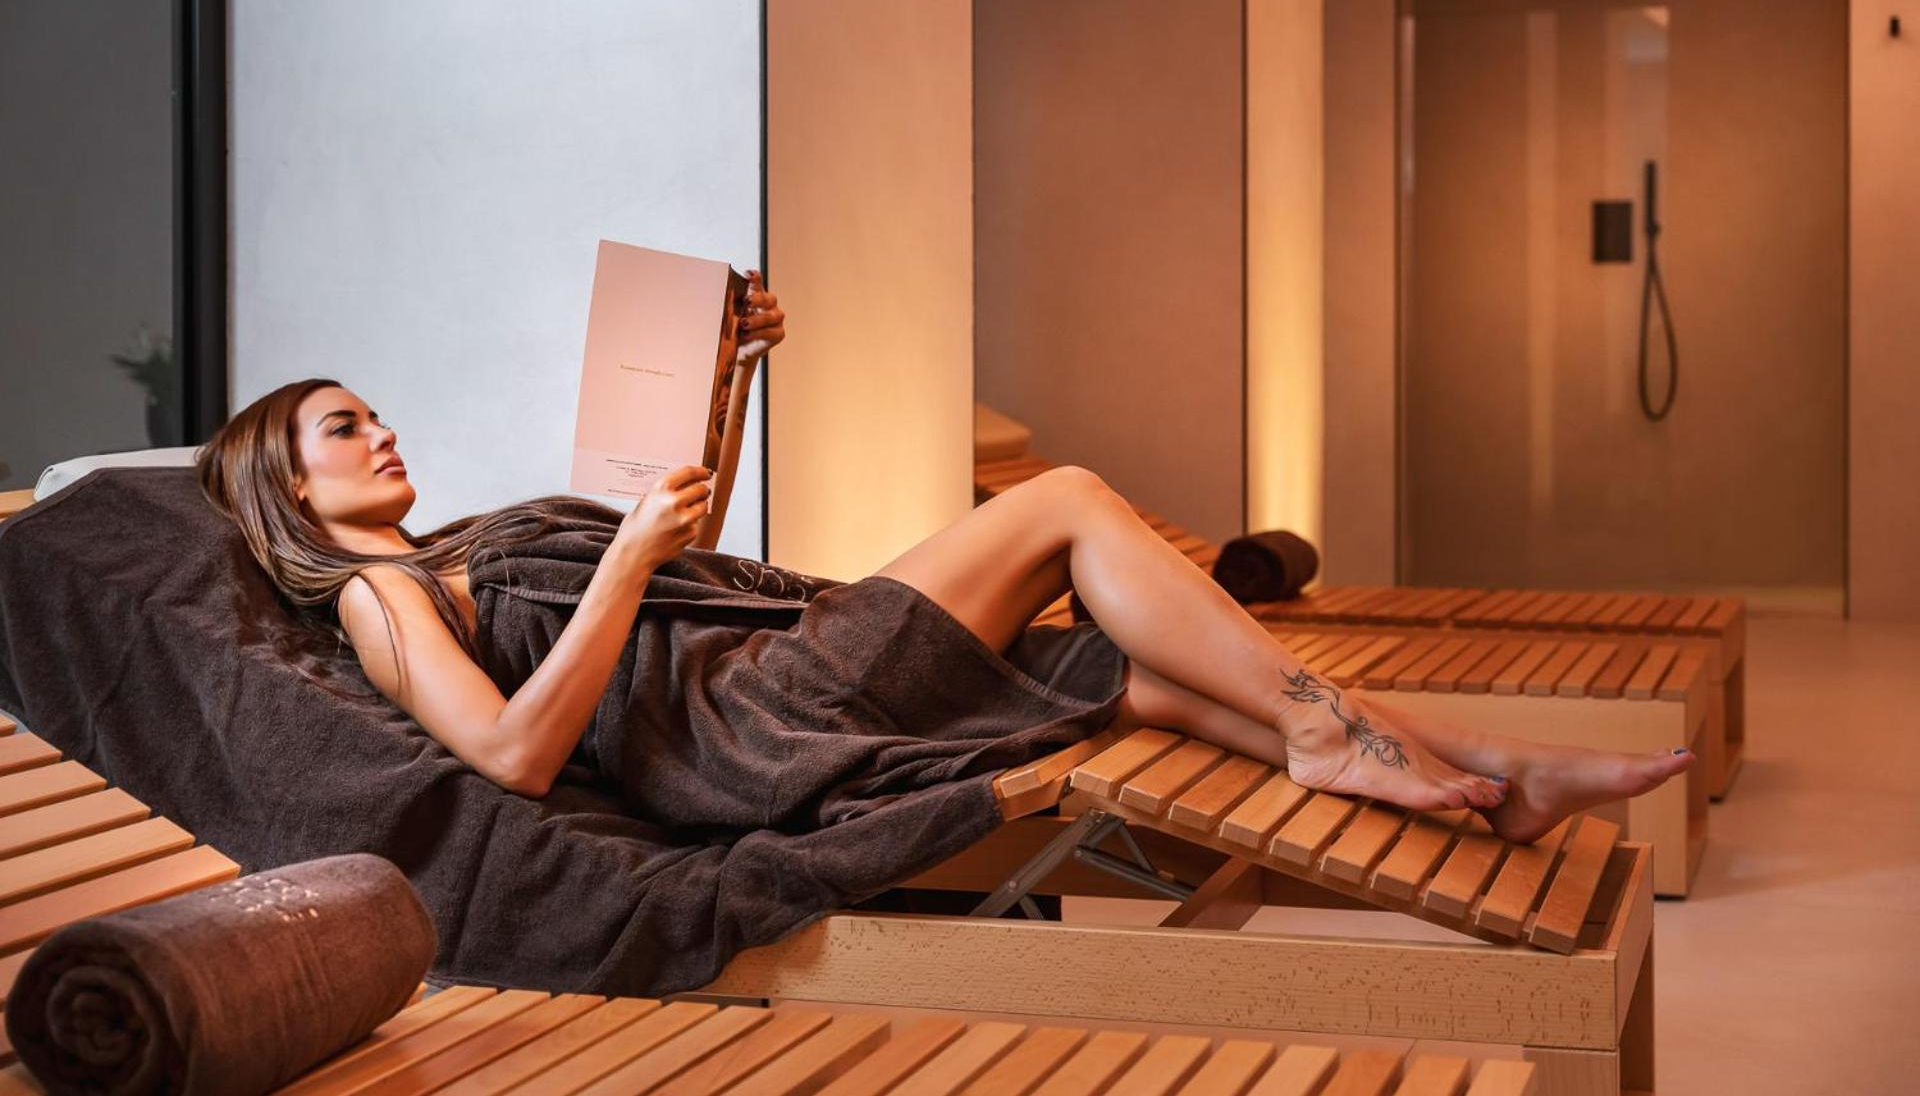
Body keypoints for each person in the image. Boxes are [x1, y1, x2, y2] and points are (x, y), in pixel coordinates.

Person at [197, 270, 1691, 845]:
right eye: (345, 427)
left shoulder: (452, 547)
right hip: (748, 723)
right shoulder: (381, 597)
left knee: (1128, 676)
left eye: (375, 413)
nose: (383, 431)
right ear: (286, 480)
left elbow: (678, 560)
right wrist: (625, 564)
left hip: (757, 663)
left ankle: (1486, 766)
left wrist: (730, 373)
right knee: (1067, 503)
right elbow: (517, 756)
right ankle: (1327, 730)